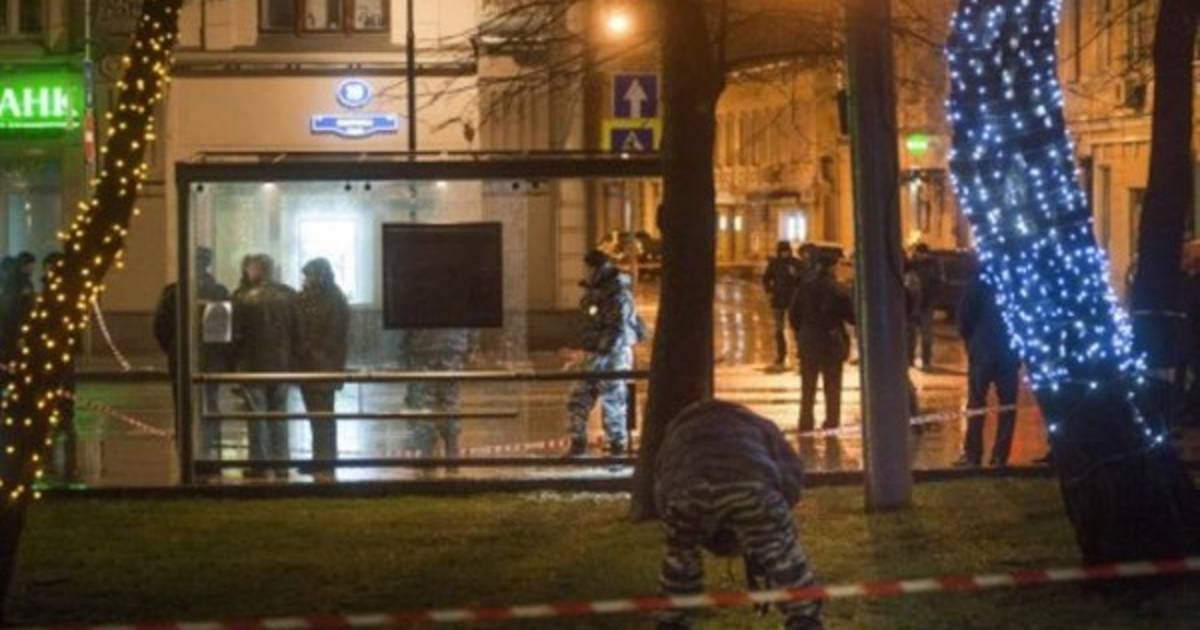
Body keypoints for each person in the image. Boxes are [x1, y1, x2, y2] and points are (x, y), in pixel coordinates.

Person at [654, 399, 823, 630]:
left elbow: (662, 485)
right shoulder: (759, 425)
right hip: (751, 486)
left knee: (680, 560)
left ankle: (672, 620)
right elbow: (792, 472)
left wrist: (678, 523)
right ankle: (804, 619)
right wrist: (776, 516)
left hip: (687, 490)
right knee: (782, 554)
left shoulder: (675, 434)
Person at [153, 247, 232, 461]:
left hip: (180, 355)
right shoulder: (219, 291)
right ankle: (209, 446)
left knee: (182, 403)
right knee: (210, 400)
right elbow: (223, 328)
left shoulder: (173, 291)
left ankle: (185, 446)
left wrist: (173, 348)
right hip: (211, 356)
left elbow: (160, 327)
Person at [565, 250, 647, 456]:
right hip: (596, 352)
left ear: (595, 268)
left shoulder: (616, 293)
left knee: (613, 400)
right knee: (579, 397)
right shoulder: (599, 289)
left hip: (613, 354)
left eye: (586, 268)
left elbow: (616, 327)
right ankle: (578, 442)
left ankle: (617, 446)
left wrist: (600, 353)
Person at [231, 254, 299, 479]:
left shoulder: (242, 297)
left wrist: (234, 363)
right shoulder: (289, 295)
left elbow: (235, 335)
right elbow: (298, 331)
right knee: (279, 413)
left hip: (252, 364)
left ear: (256, 270)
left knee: (256, 416)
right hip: (282, 364)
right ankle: (282, 463)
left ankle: (259, 464)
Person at [954, 271, 1020, 467]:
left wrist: (971, 342)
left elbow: (964, 315)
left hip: (983, 350)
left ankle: (973, 454)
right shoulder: (1014, 280)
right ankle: (1000, 455)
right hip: (1008, 352)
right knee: (1007, 406)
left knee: (976, 403)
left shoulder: (980, 279)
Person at [295, 258, 350, 481]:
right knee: (318, 416)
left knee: (322, 416)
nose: (305, 280)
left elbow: (331, 336)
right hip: (315, 364)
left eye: (309, 276)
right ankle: (320, 459)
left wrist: (308, 350)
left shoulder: (332, 299)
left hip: (322, 365)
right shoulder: (319, 298)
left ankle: (325, 460)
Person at [789, 253, 854, 432]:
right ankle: (832, 421)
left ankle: (805, 421)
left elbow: (793, 316)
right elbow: (852, 316)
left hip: (809, 341)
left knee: (808, 387)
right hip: (831, 342)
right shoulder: (838, 289)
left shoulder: (804, 288)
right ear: (832, 268)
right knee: (832, 387)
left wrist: (802, 332)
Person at [399, 328, 473, 458]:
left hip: (422, 344)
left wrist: (404, 348)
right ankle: (452, 451)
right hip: (453, 345)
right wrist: (468, 345)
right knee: (450, 399)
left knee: (425, 401)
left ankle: (427, 453)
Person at [763, 241, 801, 367]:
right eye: (782, 251)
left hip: (793, 300)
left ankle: (800, 353)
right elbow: (766, 278)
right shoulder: (774, 264)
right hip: (778, 300)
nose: (785, 253)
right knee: (778, 328)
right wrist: (769, 292)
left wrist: (795, 274)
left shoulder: (795, 263)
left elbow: (801, 279)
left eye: (786, 251)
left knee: (796, 327)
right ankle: (781, 355)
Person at [907, 243, 941, 371]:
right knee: (920, 334)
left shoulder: (915, 264)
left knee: (915, 334)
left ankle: (913, 360)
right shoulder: (931, 265)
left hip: (918, 304)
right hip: (922, 304)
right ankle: (923, 362)